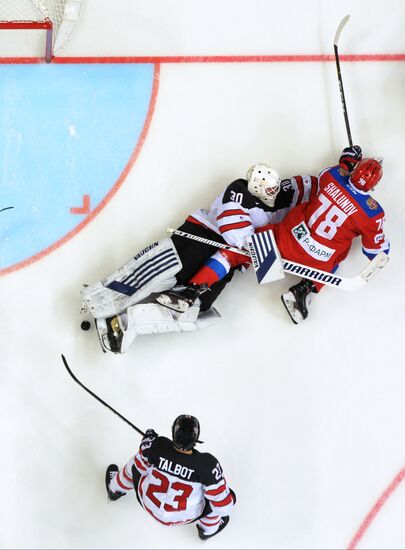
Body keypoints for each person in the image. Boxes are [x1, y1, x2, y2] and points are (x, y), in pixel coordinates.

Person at [82, 162, 317, 353]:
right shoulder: (239, 189)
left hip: (228, 262)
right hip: (201, 237)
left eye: (274, 189)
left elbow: (309, 185)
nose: (273, 193)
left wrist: (342, 175)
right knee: (158, 271)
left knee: (197, 308)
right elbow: (232, 223)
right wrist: (261, 251)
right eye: (268, 190)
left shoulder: (283, 195)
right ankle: (99, 299)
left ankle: (123, 326)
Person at [257, 148, 390, 324]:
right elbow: (375, 253)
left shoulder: (332, 175)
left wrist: (348, 159)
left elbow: (338, 170)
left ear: (355, 169)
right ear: (373, 186)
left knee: (259, 235)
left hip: (286, 240)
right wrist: (385, 246)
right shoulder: (373, 214)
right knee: (338, 255)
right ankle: (303, 289)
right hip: (316, 262)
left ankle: (242, 251)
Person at [105, 415, 236, 541]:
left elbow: (145, 452)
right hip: (183, 517)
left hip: (148, 503)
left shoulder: (157, 445)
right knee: (221, 499)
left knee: (137, 462)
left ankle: (114, 489)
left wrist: (148, 440)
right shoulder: (207, 465)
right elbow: (224, 508)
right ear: (196, 438)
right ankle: (207, 531)